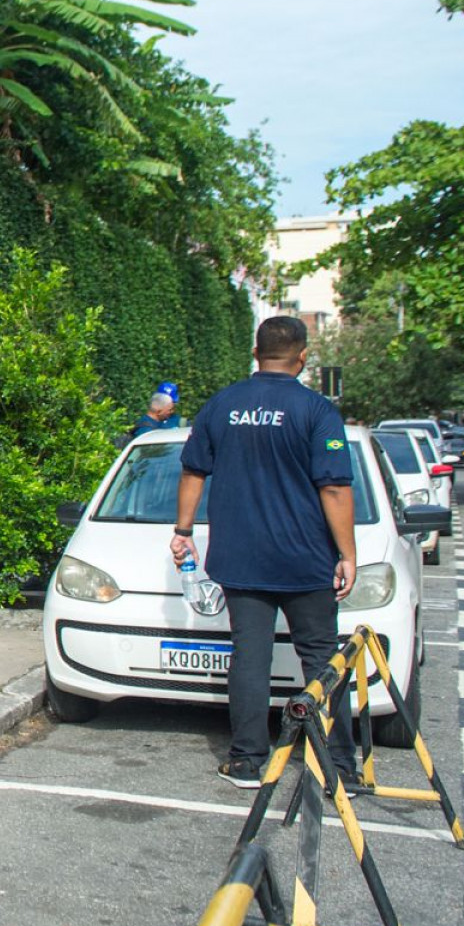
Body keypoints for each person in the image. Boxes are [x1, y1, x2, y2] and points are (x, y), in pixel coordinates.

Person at [171, 316, 357, 790]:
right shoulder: (316, 410)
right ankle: (337, 765)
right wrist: (347, 553)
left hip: (241, 557)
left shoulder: (223, 405)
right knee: (321, 659)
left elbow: (193, 470)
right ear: (302, 357)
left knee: (249, 656)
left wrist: (184, 530)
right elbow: (334, 488)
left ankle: (246, 761)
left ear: (255, 354)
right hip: (304, 559)